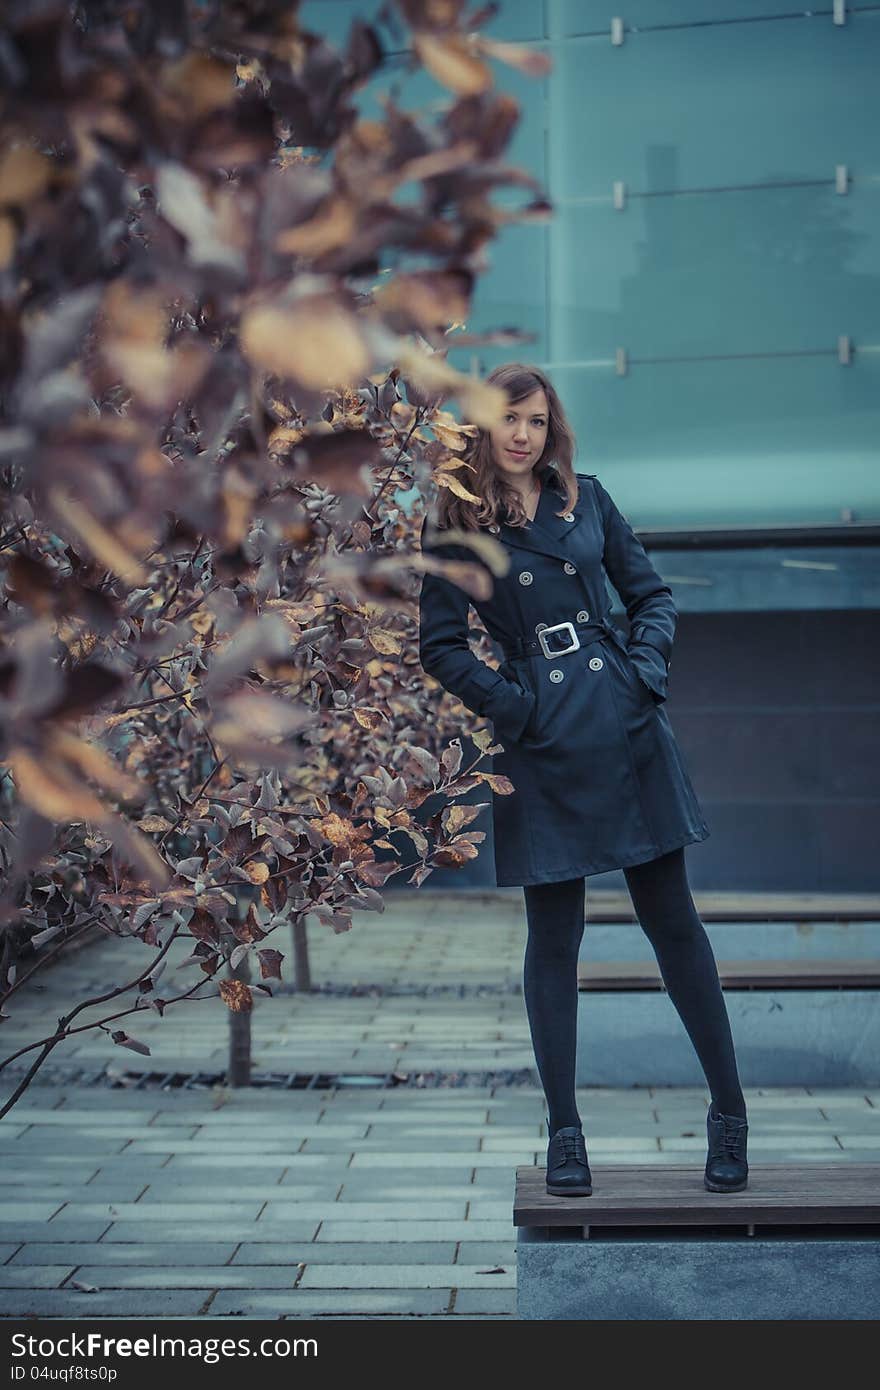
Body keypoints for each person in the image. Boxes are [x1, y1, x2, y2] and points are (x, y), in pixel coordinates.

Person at [417, 362, 748, 1197]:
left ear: (549, 425)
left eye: (534, 420)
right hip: (542, 738)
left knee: (674, 925)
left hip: (623, 722)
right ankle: (566, 1133)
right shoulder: (456, 525)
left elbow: (654, 596)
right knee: (554, 944)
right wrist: (514, 708)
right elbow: (441, 644)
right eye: (506, 420)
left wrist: (641, 673)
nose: (521, 434)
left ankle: (730, 1116)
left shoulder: (586, 498)